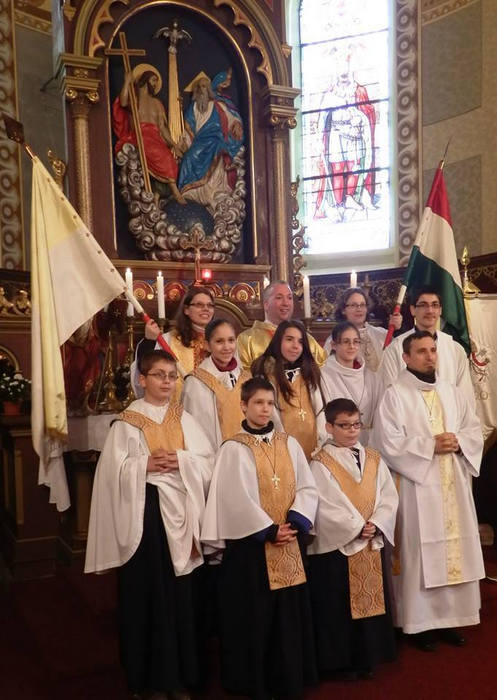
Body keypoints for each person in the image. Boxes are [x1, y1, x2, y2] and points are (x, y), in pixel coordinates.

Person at [85, 350, 214, 699]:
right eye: (159, 375)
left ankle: (182, 676)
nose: (167, 382)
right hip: (146, 516)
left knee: (182, 596)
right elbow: (110, 474)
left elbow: (208, 462)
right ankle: (149, 681)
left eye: (172, 376)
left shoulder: (184, 418)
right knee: (149, 594)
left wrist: (182, 460)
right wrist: (143, 465)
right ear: (142, 380)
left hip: (183, 514)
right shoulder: (128, 422)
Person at [201, 377, 318, 700]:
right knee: (255, 616)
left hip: (289, 541)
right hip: (251, 549)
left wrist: (296, 520)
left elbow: (307, 486)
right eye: (258, 403)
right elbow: (234, 498)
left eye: (269, 403)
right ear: (243, 406)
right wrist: (268, 530)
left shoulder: (289, 443)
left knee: (287, 615)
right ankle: (255, 680)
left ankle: (289, 676)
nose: (265, 409)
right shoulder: (233, 449)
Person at [372, 331, 485, 651]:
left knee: (454, 551)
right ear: (406, 358)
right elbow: (386, 442)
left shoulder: (451, 391)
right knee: (418, 554)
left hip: (453, 486)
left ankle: (449, 619)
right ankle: (418, 623)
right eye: (421, 351)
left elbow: (472, 429)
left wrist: (460, 442)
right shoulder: (395, 395)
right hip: (415, 487)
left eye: (433, 350)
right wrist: (428, 446)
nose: (429, 356)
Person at [308, 398, 398, 679]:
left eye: (356, 425)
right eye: (344, 426)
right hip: (339, 547)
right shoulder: (320, 463)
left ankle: (368, 656)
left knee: (371, 600)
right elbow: (325, 504)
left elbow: (388, 497)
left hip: (370, 541)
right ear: (329, 427)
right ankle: (341, 662)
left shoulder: (374, 458)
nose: (351, 431)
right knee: (337, 604)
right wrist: (357, 526)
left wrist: (377, 523)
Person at [380, 286, 474, 406]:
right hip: (410, 414)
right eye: (423, 305)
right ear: (413, 310)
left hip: (449, 415)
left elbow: (466, 396)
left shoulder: (455, 350)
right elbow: (389, 395)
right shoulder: (396, 348)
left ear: (440, 310)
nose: (430, 311)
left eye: (435, 305)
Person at [252, 320, 327, 460]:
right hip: (281, 448)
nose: (295, 346)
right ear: (278, 341)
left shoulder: (310, 372)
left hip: (314, 448)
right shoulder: (266, 374)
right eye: (289, 339)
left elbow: (320, 410)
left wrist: (321, 442)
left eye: (300, 342)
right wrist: (283, 446)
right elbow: (271, 415)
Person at [112, 64, 186, 204]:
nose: (155, 84)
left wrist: (174, 145)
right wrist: (127, 81)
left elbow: (162, 128)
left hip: (155, 136)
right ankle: (174, 189)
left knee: (169, 157)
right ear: (145, 80)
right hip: (140, 135)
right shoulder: (135, 99)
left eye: (156, 82)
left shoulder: (157, 103)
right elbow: (123, 102)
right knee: (159, 155)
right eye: (153, 80)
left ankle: (159, 194)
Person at [132, 286, 215, 398]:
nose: (206, 309)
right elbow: (144, 373)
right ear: (186, 310)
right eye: (199, 305)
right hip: (177, 405)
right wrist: (149, 341)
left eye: (210, 305)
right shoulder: (168, 340)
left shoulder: (220, 341)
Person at [177, 73, 243, 213]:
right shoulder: (193, 107)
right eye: (199, 87)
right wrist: (185, 142)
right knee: (188, 159)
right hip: (198, 142)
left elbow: (231, 118)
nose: (202, 90)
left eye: (204, 87)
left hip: (214, 140)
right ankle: (189, 193)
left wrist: (236, 124)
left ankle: (210, 192)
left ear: (208, 90)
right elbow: (188, 127)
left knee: (217, 151)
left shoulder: (217, 105)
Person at [182, 318, 251, 452]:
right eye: (219, 341)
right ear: (207, 345)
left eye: (231, 340)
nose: (227, 347)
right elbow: (196, 431)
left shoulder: (247, 379)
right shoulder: (196, 382)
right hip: (213, 455)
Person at [237, 280, 326, 370]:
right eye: (279, 298)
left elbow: (323, 370)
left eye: (289, 298)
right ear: (266, 305)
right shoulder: (247, 340)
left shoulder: (306, 339)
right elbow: (241, 375)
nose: (286, 303)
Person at [321, 321, 381, 445]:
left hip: (369, 444)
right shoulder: (323, 375)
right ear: (333, 345)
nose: (352, 346)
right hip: (337, 444)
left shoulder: (371, 376)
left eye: (356, 342)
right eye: (346, 342)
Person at [323, 287, 402, 371]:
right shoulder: (335, 340)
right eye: (354, 305)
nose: (359, 309)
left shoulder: (382, 334)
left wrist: (397, 330)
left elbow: (397, 361)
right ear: (343, 310)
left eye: (362, 305)